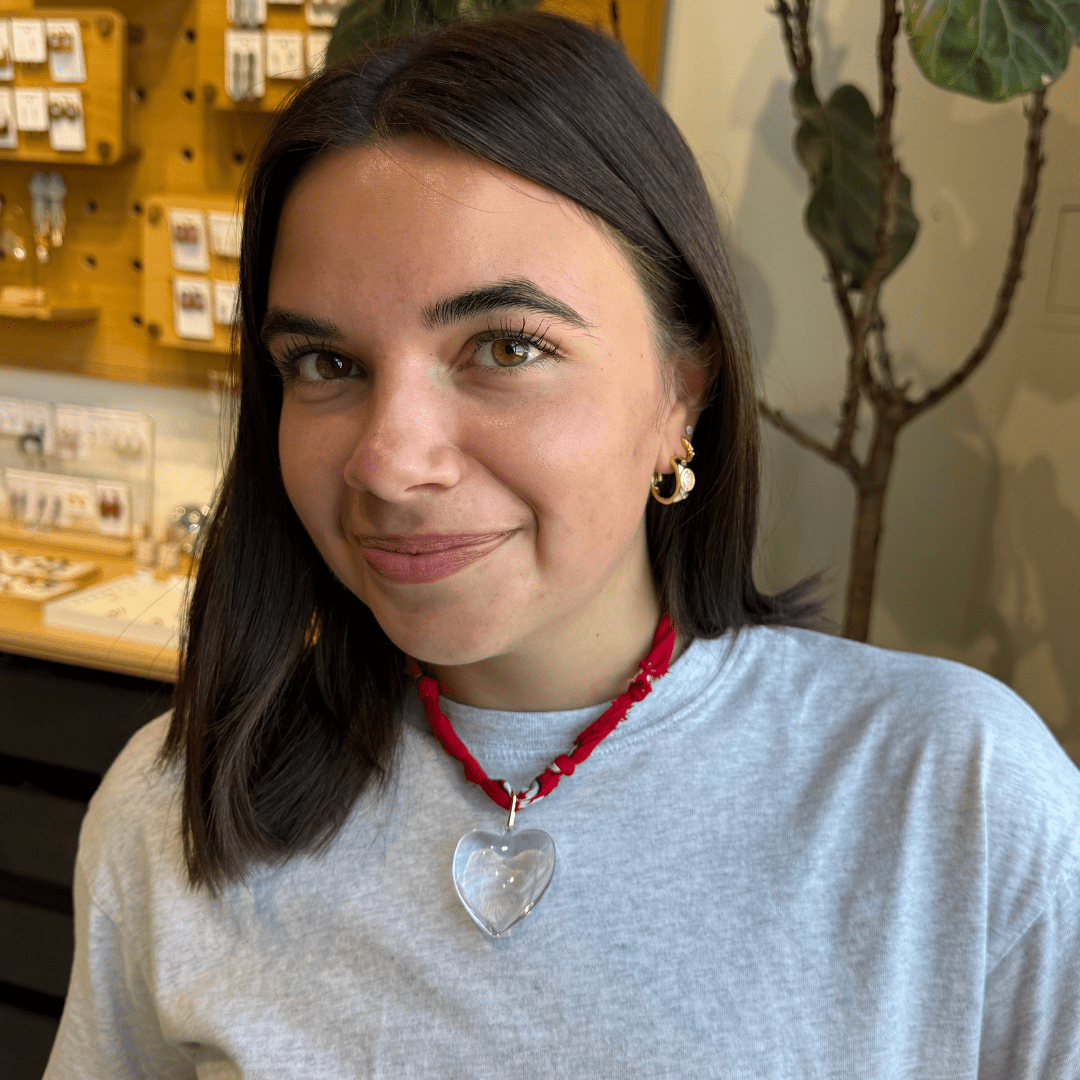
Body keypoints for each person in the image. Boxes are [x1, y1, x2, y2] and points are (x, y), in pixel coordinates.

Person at [45, 12, 1080, 1079]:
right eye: (325, 363)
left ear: (683, 387)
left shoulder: (957, 798)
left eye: (506, 347)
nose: (390, 465)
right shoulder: (175, 808)